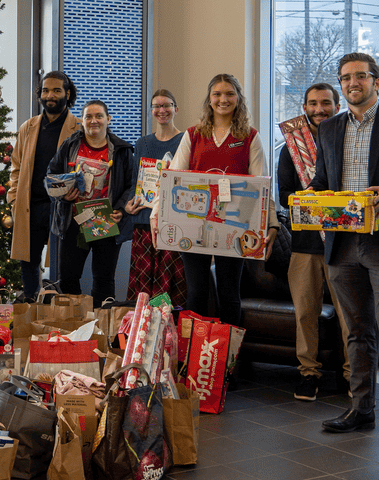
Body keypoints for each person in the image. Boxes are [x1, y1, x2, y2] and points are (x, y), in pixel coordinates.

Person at [308, 52, 379, 455]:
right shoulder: (329, 128)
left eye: (361, 76)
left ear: (377, 80)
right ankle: (361, 409)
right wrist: (311, 199)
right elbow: (323, 179)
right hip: (341, 243)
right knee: (356, 332)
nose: (353, 83)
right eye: (346, 78)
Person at [154, 73, 276, 326]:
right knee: (196, 293)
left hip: (234, 226)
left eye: (230, 93)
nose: (223, 99)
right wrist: (157, 214)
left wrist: (271, 224)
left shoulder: (251, 137)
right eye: (217, 94)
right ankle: (195, 359)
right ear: (209, 100)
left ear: (239, 98)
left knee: (229, 294)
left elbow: (263, 186)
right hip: (193, 223)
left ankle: (229, 360)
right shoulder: (193, 135)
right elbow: (172, 180)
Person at [278, 83, 352, 401]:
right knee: (305, 314)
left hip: (345, 243)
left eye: (326, 103)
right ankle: (309, 374)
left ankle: (353, 376)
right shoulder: (291, 149)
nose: (319, 109)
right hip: (305, 244)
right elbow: (283, 196)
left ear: (337, 105)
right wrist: (311, 202)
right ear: (304, 106)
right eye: (313, 103)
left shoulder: (349, 141)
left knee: (350, 315)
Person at [46, 99, 136, 305]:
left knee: (104, 280)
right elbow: (52, 175)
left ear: (108, 119)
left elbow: (132, 185)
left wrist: (121, 210)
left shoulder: (122, 150)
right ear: (82, 121)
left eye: (98, 116)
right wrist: (63, 194)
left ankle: (101, 328)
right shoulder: (69, 145)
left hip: (106, 221)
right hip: (73, 221)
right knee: (69, 278)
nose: (93, 121)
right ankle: (74, 326)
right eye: (88, 116)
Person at [8, 71, 80, 299]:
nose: (50, 95)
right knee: (28, 262)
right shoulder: (28, 128)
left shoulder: (79, 128)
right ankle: (30, 308)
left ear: (67, 94)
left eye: (57, 90)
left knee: (66, 267)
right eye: (46, 90)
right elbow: (16, 166)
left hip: (64, 207)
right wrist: (13, 197)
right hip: (31, 205)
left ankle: (69, 317)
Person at [123, 89, 186, 305]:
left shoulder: (185, 141)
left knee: (167, 289)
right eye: (157, 106)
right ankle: (139, 336)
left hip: (171, 225)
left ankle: (167, 336)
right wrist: (129, 206)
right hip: (143, 224)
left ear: (175, 109)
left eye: (166, 105)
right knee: (142, 290)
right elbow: (135, 182)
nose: (162, 110)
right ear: (151, 111)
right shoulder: (142, 143)